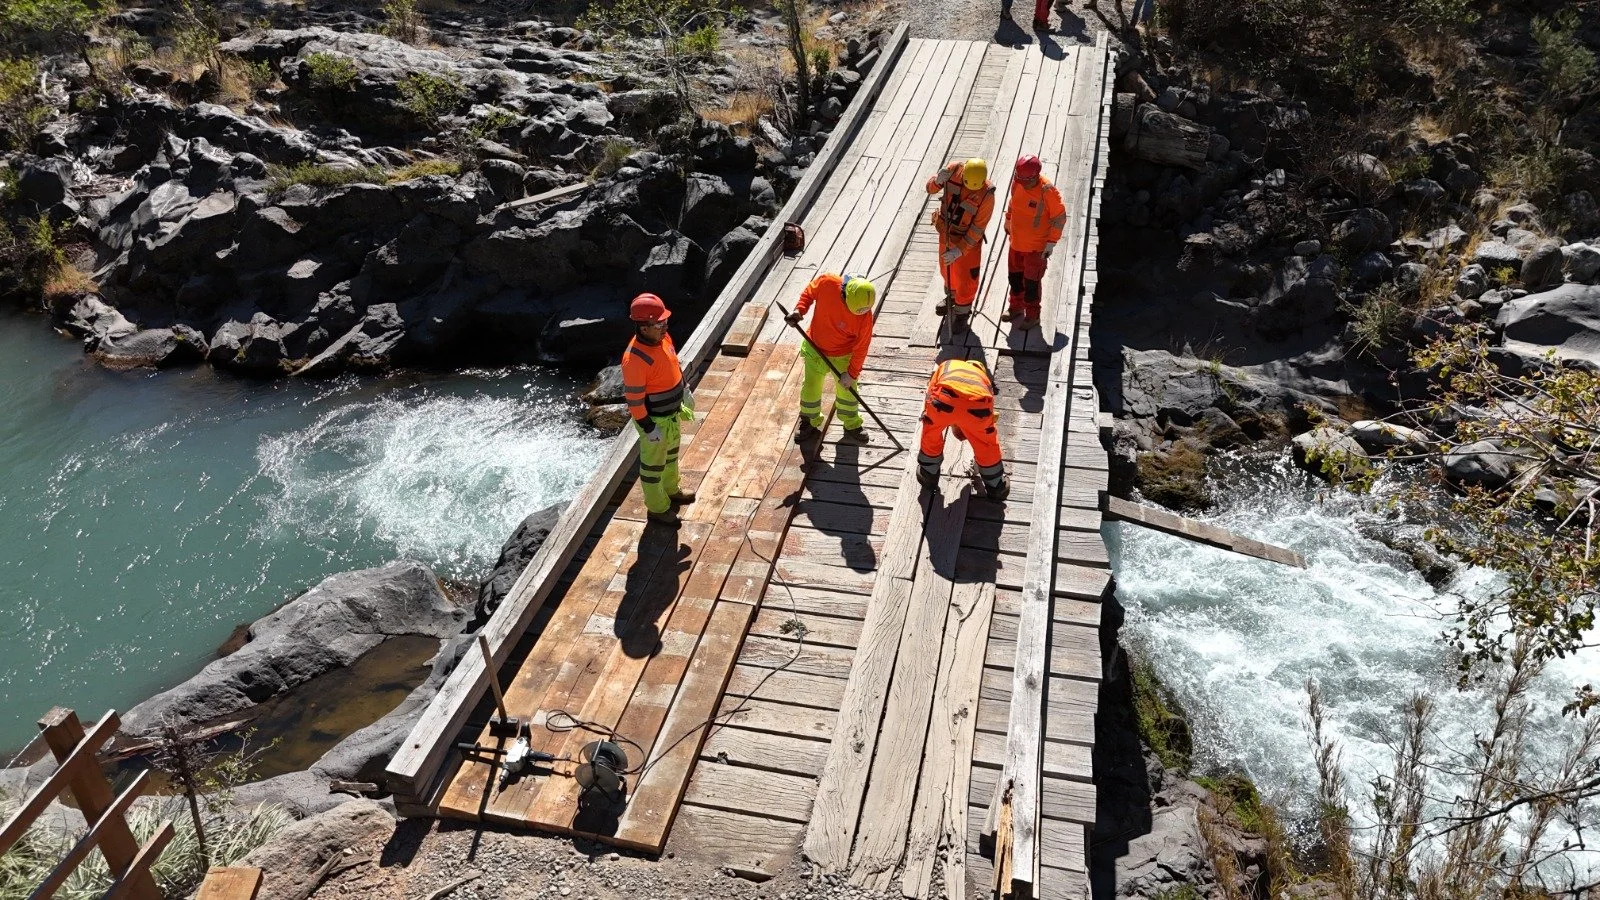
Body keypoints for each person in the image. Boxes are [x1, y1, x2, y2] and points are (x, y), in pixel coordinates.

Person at [621, 293, 696, 526]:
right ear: (644, 328)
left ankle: (672, 490)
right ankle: (657, 509)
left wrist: (685, 388)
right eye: (659, 323)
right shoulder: (634, 360)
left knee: (671, 457)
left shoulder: (664, 339)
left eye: (665, 322)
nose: (664, 326)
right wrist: (648, 427)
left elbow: (675, 363)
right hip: (654, 421)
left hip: (671, 415)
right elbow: (634, 401)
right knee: (653, 468)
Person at [786, 273, 877, 445]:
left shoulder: (864, 315)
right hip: (815, 348)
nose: (861, 315)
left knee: (848, 391)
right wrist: (800, 310)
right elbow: (808, 293)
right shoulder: (827, 283)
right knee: (811, 387)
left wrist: (851, 374)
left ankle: (851, 423)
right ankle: (808, 420)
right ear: (844, 295)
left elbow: (861, 348)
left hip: (843, 355)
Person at [916, 358, 1008, 500]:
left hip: (943, 401)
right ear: (980, 369)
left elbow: (931, 392)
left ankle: (928, 474)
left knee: (931, 434)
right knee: (986, 443)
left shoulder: (947, 365)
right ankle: (996, 486)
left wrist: (930, 417)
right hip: (977, 408)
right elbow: (986, 405)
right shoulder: (984, 379)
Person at [925, 158, 995, 334]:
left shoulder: (987, 196)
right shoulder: (953, 169)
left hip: (967, 243)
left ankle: (962, 314)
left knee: (967, 279)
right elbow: (930, 189)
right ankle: (952, 298)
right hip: (946, 234)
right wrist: (937, 181)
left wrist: (960, 250)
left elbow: (978, 228)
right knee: (946, 270)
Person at [1002, 154, 1067, 330]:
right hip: (1016, 243)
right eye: (1019, 179)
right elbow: (1013, 203)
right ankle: (1016, 307)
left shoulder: (1047, 191)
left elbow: (1059, 218)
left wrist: (1051, 242)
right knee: (1014, 278)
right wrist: (1008, 219)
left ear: (1035, 176)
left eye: (1025, 180)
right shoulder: (1018, 182)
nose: (1022, 183)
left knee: (1031, 284)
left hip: (1036, 249)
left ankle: (1032, 316)